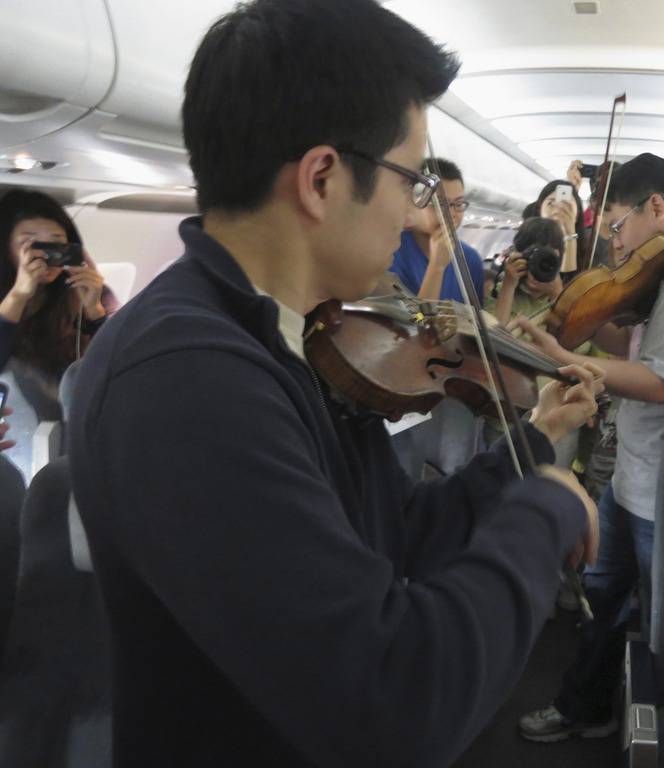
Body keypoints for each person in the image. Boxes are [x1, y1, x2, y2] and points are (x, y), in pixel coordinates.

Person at [67, 2, 604, 766]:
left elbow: (392, 531)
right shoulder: (187, 376)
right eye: (413, 180)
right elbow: (396, 701)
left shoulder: (289, 338)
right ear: (322, 178)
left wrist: (530, 454)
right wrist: (545, 510)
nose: (418, 210)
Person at [515, 152, 664, 742]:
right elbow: (633, 343)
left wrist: (562, 358)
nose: (616, 244)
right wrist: (575, 311)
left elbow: (661, 381)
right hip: (636, 476)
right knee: (601, 595)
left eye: (619, 225)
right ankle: (588, 708)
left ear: (657, 207)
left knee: (660, 620)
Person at [0, 189, 115, 477]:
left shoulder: (89, 296)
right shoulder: (8, 303)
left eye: (56, 244)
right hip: (22, 445)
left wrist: (95, 311)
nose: (46, 255)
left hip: (82, 437)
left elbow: (117, 370)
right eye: (30, 243)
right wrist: (18, 295)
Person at [389, 157, 484, 303]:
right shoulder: (391, 253)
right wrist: (437, 267)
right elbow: (415, 320)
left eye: (458, 203)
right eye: (439, 203)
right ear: (413, 202)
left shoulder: (471, 260)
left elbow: (475, 322)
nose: (451, 213)